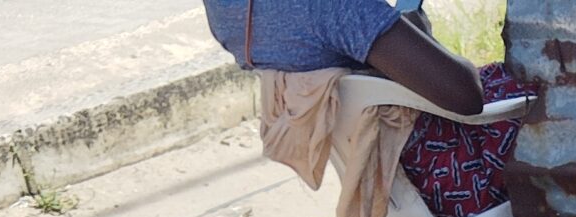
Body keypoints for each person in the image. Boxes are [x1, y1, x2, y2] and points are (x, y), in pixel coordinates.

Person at [205, 0, 485, 117]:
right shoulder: (333, 7)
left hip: (359, 165)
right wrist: (419, 32)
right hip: (440, 160)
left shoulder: (226, 10)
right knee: (525, 92)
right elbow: (467, 97)